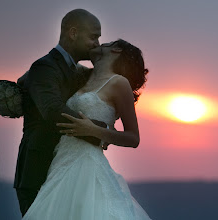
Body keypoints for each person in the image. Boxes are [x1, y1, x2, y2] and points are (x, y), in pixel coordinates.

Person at [22, 39, 151, 219]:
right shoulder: (82, 77)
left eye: (106, 42)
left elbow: (133, 138)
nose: (99, 42)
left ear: (116, 50)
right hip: (60, 161)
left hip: (87, 163)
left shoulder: (119, 83)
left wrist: (94, 131)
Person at [13, 9, 108, 216]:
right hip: (38, 171)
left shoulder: (74, 70)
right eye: (93, 37)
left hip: (65, 171)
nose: (97, 44)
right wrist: (98, 131)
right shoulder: (44, 67)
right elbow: (52, 110)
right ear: (73, 33)